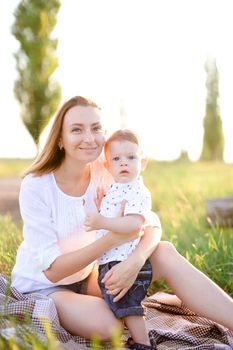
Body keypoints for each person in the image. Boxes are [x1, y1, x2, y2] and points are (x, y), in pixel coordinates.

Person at [11, 96, 233, 348]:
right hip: (46, 286)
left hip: (92, 275)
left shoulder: (107, 168)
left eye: (96, 128)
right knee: (110, 326)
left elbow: (151, 224)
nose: (89, 137)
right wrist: (113, 238)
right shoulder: (36, 185)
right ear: (60, 139)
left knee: (164, 252)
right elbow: (53, 271)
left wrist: (135, 261)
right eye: (77, 129)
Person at [84, 129, 156, 349]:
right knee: (119, 304)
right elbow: (117, 217)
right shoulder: (116, 189)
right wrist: (102, 207)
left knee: (128, 304)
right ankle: (140, 337)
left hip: (124, 261)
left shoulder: (137, 190)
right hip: (111, 260)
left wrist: (102, 221)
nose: (124, 163)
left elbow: (135, 225)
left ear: (142, 162)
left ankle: (142, 343)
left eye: (131, 157)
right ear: (108, 166)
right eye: (116, 158)